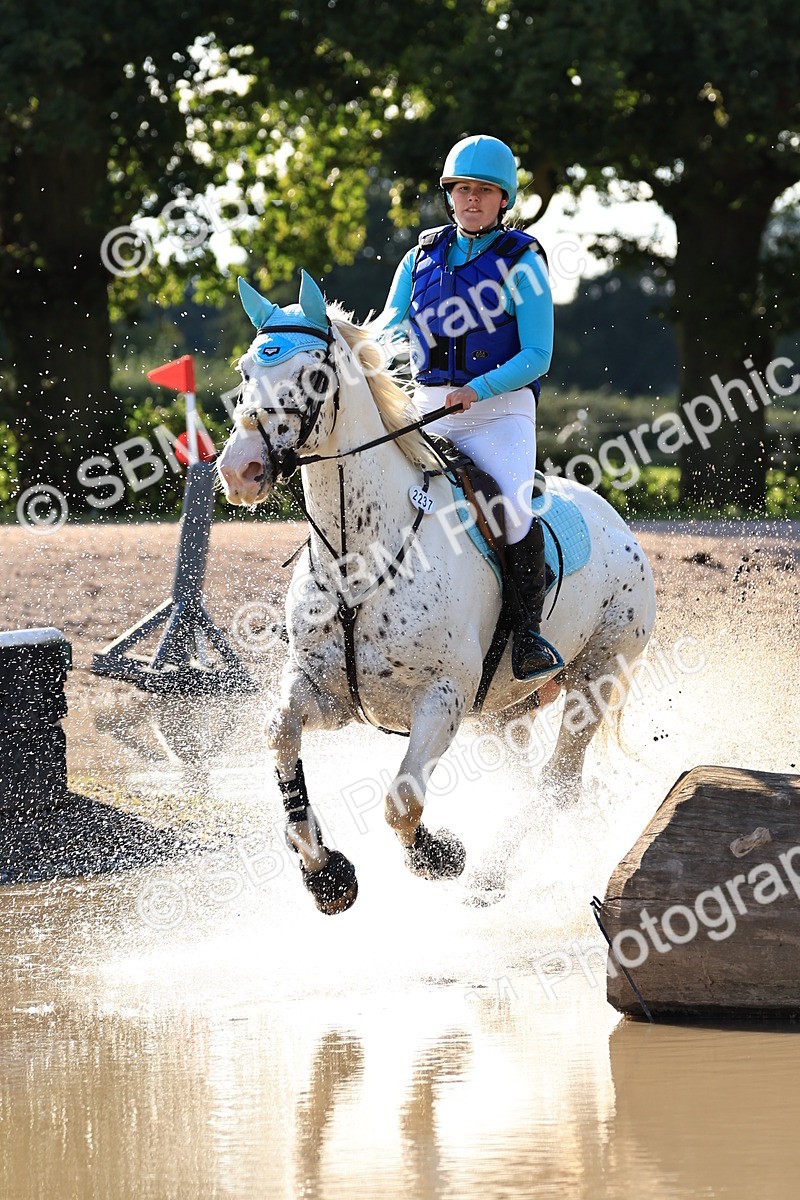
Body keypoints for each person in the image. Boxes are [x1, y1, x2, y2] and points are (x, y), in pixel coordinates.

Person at [374, 133, 562, 681]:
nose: (472, 199)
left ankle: (527, 635)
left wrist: (478, 388)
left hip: (499, 413)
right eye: (462, 189)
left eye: (484, 190)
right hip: (428, 407)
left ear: (503, 199)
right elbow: (391, 325)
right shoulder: (420, 256)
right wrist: (352, 349)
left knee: (512, 509)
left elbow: (538, 354)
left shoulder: (523, 259)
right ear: (449, 195)